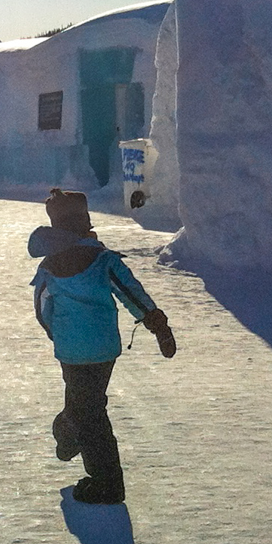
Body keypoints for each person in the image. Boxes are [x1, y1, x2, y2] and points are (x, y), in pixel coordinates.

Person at [29, 188, 176, 505]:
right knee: (86, 403)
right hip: (103, 350)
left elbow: (42, 308)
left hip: (70, 351)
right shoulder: (103, 260)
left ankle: (108, 483)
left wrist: (58, 333)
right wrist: (157, 323)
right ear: (85, 223)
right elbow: (131, 293)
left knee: (90, 413)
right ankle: (69, 431)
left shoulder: (49, 266)